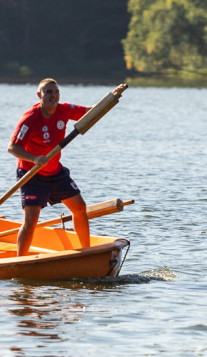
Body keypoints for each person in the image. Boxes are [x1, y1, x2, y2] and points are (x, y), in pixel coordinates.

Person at [7, 79, 127, 256]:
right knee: (31, 219)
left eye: (55, 92)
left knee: (79, 208)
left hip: (55, 172)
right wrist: (34, 158)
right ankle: (19, 260)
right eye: (48, 92)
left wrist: (113, 97)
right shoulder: (30, 118)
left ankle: (87, 253)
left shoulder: (63, 109)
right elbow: (12, 148)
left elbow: (90, 112)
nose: (53, 96)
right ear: (39, 95)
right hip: (32, 174)